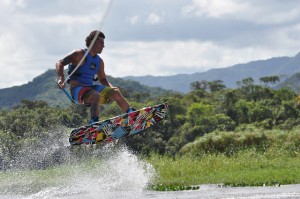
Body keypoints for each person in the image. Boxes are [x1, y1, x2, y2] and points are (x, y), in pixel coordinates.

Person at [56, 30, 135, 124]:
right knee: (95, 95)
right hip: (77, 91)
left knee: (115, 91)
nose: (103, 46)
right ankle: (94, 122)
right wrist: (61, 78)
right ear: (93, 42)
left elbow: (102, 79)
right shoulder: (79, 54)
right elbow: (59, 63)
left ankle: (132, 114)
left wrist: (110, 90)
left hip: (90, 89)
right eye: (101, 43)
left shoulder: (99, 61)